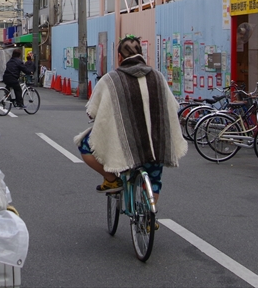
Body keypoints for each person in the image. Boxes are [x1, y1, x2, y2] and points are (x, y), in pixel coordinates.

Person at [74, 35, 187, 202]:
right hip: (155, 142)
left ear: (119, 57)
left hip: (124, 142)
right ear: (142, 54)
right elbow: (172, 106)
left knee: (85, 145)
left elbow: (93, 110)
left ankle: (112, 180)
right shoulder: (158, 77)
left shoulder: (111, 80)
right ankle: (151, 214)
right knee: (154, 177)